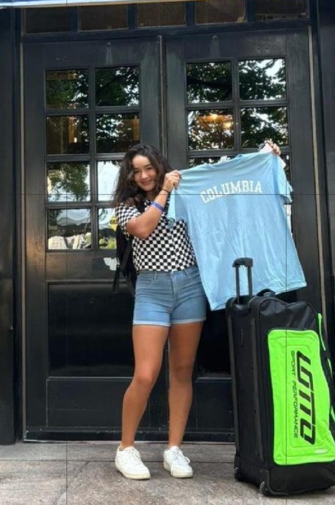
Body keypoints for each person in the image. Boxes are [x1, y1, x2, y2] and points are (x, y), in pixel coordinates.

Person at [111, 139, 281, 481]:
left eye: (149, 168)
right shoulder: (127, 206)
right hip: (152, 290)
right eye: (137, 170)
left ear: (159, 165)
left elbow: (226, 186)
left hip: (190, 287)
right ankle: (126, 449)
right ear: (130, 175)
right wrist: (163, 193)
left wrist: (264, 158)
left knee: (182, 371)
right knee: (145, 373)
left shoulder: (187, 191)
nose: (144, 175)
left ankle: (174, 449)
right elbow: (143, 229)